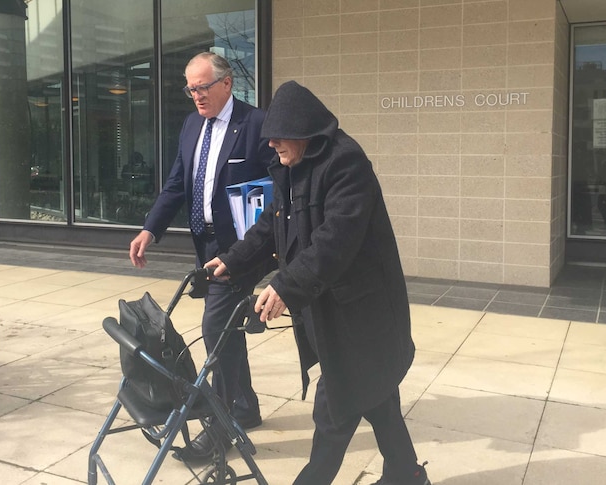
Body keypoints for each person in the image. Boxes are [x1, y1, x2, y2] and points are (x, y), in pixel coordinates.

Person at [205, 81, 431, 485]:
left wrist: (285, 286)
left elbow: (335, 241)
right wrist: (231, 259)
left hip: (362, 313)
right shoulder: (291, 166)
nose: (271, 145)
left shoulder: (346, 162)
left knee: (335, 409)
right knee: (377, 396)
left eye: (277, 138)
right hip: (328, 307)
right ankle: (407, 474)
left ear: (303, 130)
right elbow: (270, 225)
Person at [128, 52, 274, 460]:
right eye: (190, 88)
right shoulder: (193, 125)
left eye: (202, 87)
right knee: (226, 327)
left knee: (214, 330)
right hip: (205, 244)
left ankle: (220, 427)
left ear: (226, 83)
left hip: (244, 247)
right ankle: (245, 407)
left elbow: (277, 191)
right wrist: (150, 228)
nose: (195, 95)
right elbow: (178, 182)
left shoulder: (256, 124)